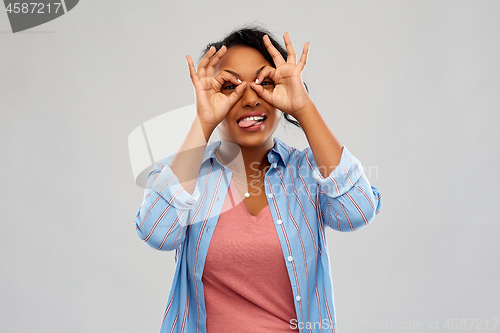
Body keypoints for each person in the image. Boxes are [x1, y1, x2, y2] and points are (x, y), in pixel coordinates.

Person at [135, 26, 382, 333]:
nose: (251, 98)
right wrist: (203, 122)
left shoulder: (307, 173)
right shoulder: (187, 176)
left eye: (265, 82)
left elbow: (357, 212)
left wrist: (304, 108)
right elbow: (157, 233)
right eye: (230, 86)